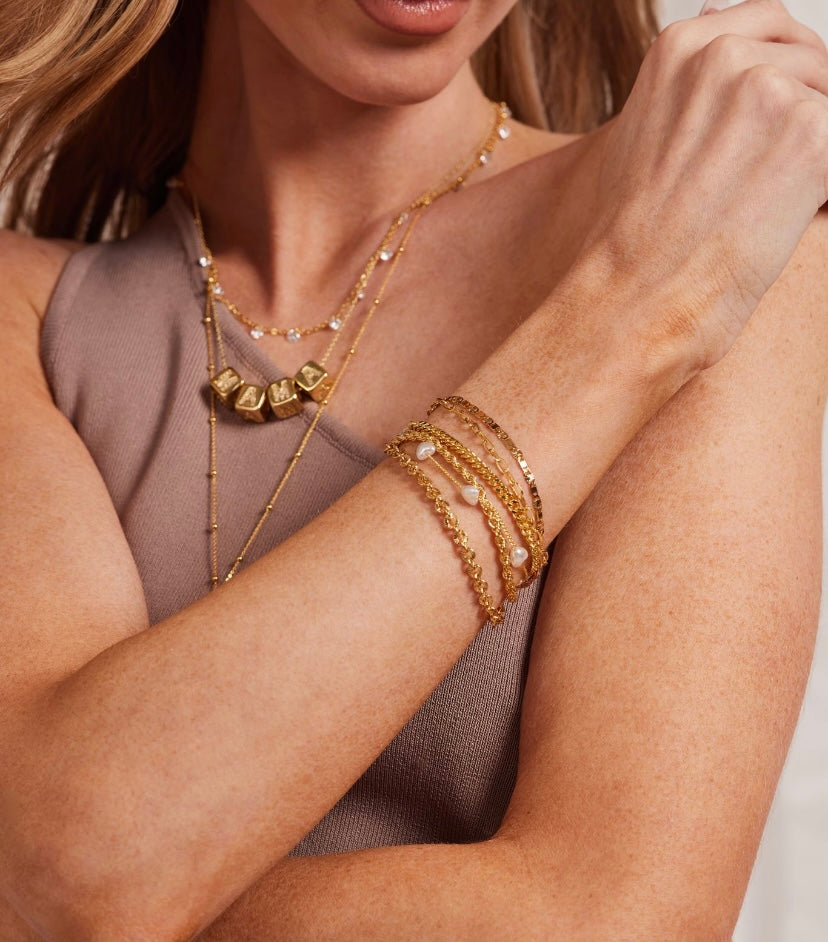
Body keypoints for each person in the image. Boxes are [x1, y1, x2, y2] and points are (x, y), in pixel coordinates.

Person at [0, 0, 825, 937]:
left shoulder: (712, 218)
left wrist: (140, 872)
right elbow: (66, 868)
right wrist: (620, 320)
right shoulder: (670, 263)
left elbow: (624, 923)